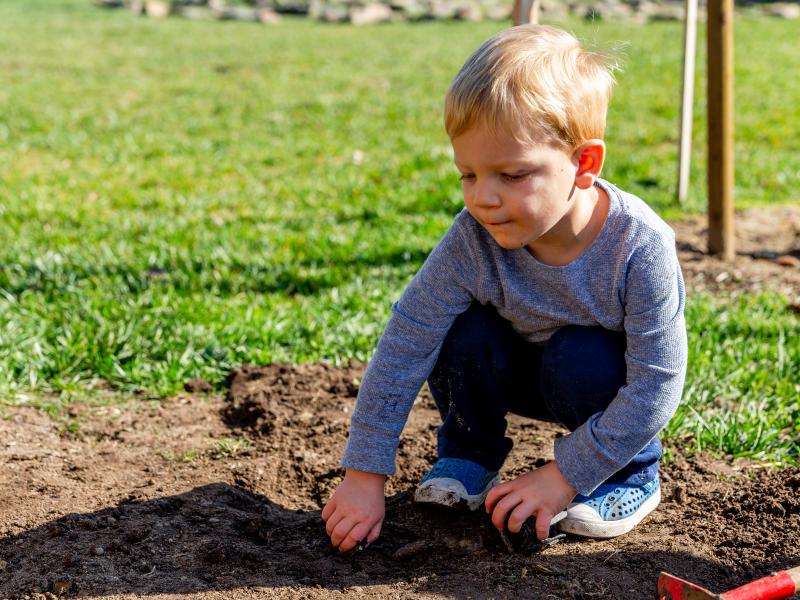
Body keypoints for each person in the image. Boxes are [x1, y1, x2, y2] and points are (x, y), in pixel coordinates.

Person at [322, 24, 687, 553]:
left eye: (512, 176)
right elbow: (406, 341)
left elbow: (658, 383)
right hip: (516, 372)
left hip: (600, 390)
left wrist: (561, 476)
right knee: (453, 328)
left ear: (584, 164)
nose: (483, 199)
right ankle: (469, 453)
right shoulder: (472, 238)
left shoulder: (640, 245)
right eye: (468, 174)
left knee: (580, 353)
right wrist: (363, 474)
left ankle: (628, 474)